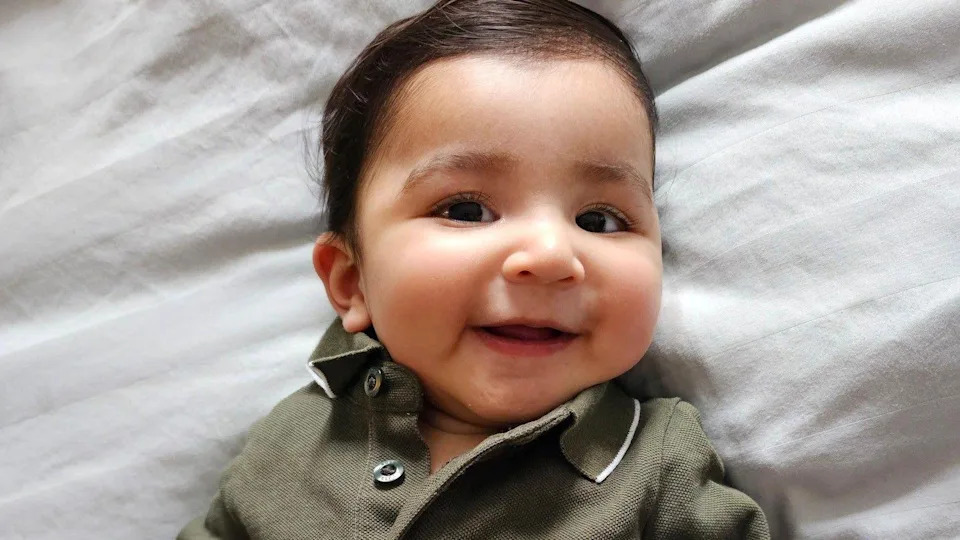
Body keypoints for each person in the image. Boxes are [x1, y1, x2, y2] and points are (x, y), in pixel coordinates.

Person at [179, 1, 770, 538]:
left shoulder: (657, 468)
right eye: (466, 211)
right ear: (352, 282)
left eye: (600, 220)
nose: (549, 256)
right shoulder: (292, 440)